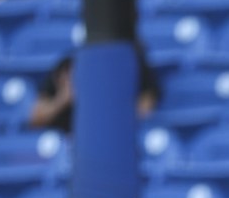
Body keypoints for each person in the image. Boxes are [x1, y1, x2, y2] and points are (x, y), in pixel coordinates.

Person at [29, 46, 160, 134]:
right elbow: (36, 119)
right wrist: (63, 99)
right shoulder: (67, 67)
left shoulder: (127, 63)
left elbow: (145, 109)